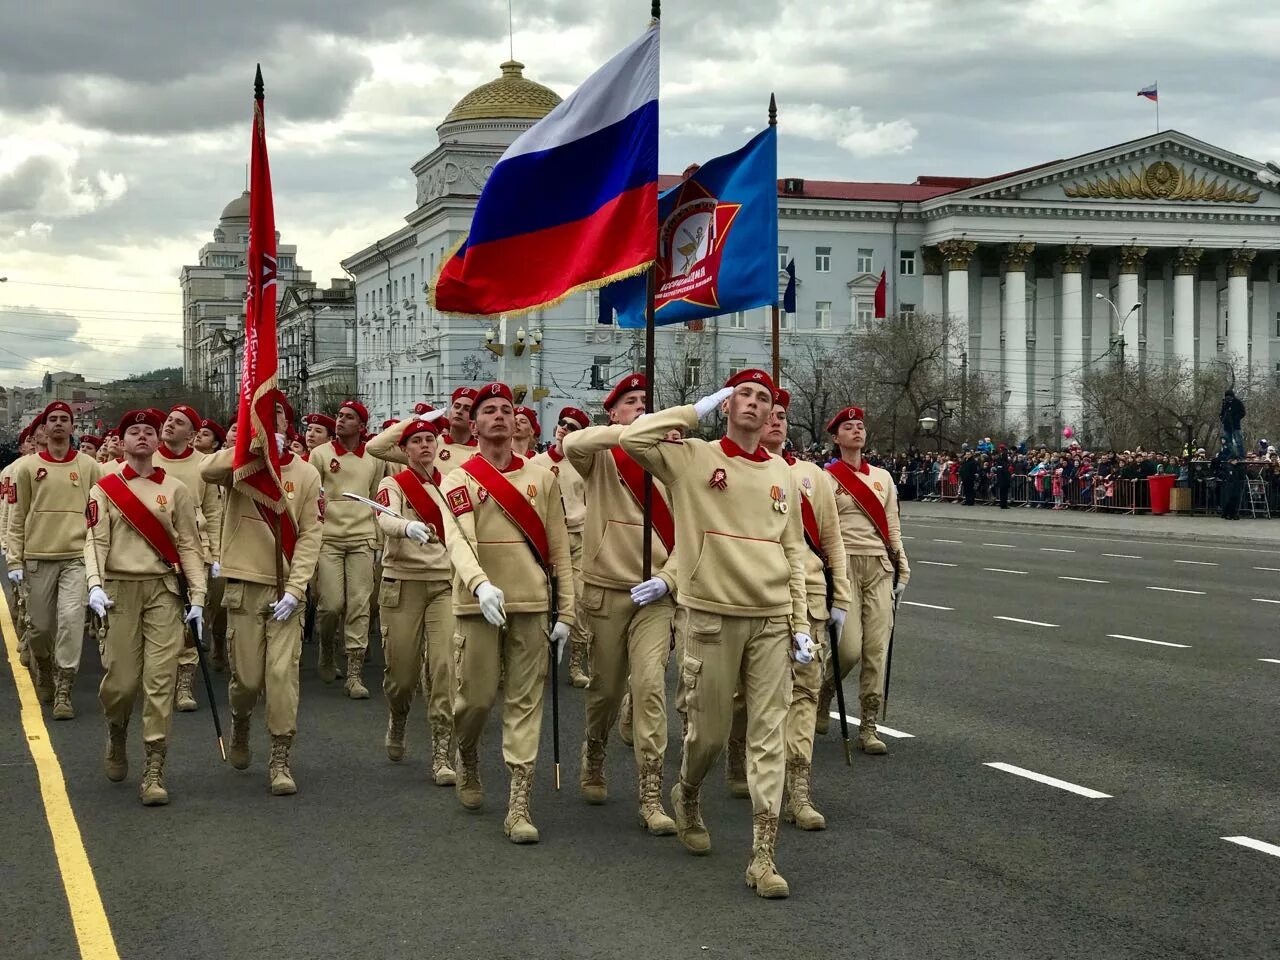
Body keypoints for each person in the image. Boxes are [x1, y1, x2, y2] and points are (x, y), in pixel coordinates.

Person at [620, 368, 809, 899]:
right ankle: (688, 790)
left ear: (774, 413)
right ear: (727, 406)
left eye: (763, 398)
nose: (753, 404)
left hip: (770, 616)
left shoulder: (784, 474)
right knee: (707, 732)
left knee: (766, 732)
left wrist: (800, 622)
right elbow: (635, 438)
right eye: (742, 395)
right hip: (709, 613)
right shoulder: (693, 457)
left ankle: (763, 858)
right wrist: (697, 407)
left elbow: (792, 550)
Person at [440, 382, 574, 844]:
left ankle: (519, 802)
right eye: (489, 411)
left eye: (507, 409)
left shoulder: (541, 477)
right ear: (473, 424)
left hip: (531, 603)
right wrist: (479, 585)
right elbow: (458, 539)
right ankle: (469, 753)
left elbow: (559, 550)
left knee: (524, 701)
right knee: (474, 700)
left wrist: (567, 613)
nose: (500, 416)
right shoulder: (459, 478)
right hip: (478, 604)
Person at [561, 375, 677, 835]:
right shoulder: (601, 458)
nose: (641, 408)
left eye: (647, 402)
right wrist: (631, 433)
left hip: (656, 594)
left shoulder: (673, 459)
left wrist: (668, 579)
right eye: (631, 403)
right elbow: (574, 441)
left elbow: (692, 527)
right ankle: (594, 749)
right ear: (614, 414)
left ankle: (651, 793)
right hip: (608, 588)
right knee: (607, 688)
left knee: (649, 687)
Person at [201, 397, 323, 795]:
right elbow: (206, 471)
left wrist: (296, 587)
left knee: (281, 676)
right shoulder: (239, 467)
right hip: (243, 585)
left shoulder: (306, 474)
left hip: (286, 590)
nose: (273, 424)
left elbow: (310, 535)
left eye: (279, 417)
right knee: (248, 679)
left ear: (290, 424)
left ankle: (280, 757)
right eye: (264, 418)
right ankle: (240, 719)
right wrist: (246, 449)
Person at [85, 409, 207, 805]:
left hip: (162, 592)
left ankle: (154, 769)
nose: (142, 437)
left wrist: (199, 597)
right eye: (133, 432)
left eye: (148, 432)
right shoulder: (105, 488)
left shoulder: (174, 489)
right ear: (122, 441)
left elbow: (189, 544)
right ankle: (117, 729)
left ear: (157, 442)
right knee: (121, 683)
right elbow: (95, 540)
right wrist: (95, 584)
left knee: (160, 683)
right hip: (119, 589)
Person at [752, 387, 849, 831]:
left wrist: (840, 597)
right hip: (757, 593)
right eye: (769, 414)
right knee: (748, 696)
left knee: (806, 691)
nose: (776, 421)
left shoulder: (813, 475)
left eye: (782, 417)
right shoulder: (738, 468)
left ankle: (799, 790)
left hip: (808, 595)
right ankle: (738, 759)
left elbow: (831, 541)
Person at [365, 413, 458, 784]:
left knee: (444, 669)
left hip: (444, 584)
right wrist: (406, 526)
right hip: (401, 583)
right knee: (401, 676)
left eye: (430, 439)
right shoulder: (394, 483)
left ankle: (441, 752)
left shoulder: (450, 483)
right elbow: (385, 519)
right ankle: (399, 715)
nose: (424, 446)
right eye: (416, 441)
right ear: (403, 449)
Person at [816, 406, 911, 755]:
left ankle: (869, 726)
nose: (856, 431)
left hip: (879, 567)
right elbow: (822, 528)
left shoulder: (883, 478)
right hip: (844, 568)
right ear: (836, 437)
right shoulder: (826, 478)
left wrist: (903, 565)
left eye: (860, 427)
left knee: (876, 651)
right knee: (850, 648)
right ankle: (825, 688)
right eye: (849, 428)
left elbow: (892, 526)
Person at [6, 401, 103, 716]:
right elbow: (18, 516)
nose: (59, 424)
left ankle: (64, 688)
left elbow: (99, 514)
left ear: (73, 427)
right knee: (40, 629)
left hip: (76, 557)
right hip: (37, 557)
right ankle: (44, 667)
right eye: (53, 420)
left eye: (65, 419)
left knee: (70, 622)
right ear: (44, 428)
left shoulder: (89, 466)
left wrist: (99, 558)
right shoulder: (27, 467)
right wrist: (15, 561)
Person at [308, 400, 382, 697]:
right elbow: (311, 497)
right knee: (330, 605)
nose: (340, 421)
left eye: (349, 417)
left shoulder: (374, 457)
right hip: (329, 538)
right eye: (339, 415)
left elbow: (377, 498)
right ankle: (326, 648)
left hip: (362, 537)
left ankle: (354, 673)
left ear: (361, 427)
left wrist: (377, 539)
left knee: (359, 604)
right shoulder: (320, 454)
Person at [154, 405, 223, 712]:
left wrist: (218, 553)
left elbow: (213, 512)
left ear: (192, 435)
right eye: (169, 420)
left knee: (190, 618)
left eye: (179, 423)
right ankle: (160, 677)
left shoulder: (204, 466)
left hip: (196, 548)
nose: (170, 425)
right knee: (162, 618)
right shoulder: (149, 460)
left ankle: (185, 682)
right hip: (155, 550)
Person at [529, 405, 590, 688]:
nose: (564, 429)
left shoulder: (584, 464)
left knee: (576, 600)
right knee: (541, 599)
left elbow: (593, 502)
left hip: (576, 538)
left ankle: (576, 662)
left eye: (572, 427)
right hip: (543, 540)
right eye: (562, 423)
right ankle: (537, 658)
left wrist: (575, 519)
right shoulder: (536, 463)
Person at [436, 386, 479, 464]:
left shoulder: (482, 451)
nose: (459, 411)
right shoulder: (434, 444)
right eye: (456, 406)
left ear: (475, 418)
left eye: (467, 409)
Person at [1221, 387, 1246, 459]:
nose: (1228, 398)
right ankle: (1230, 455)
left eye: (1229, 397)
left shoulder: (1237, 402)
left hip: (1235, 426)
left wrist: (1236, 418)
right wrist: (1223, 419)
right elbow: (1222, 413)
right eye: (1227, 397)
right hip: (1227, 426)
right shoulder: (1225, 403)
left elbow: (1243, 412)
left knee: (1239, 442)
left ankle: (1241, 456)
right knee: (1227, 442)